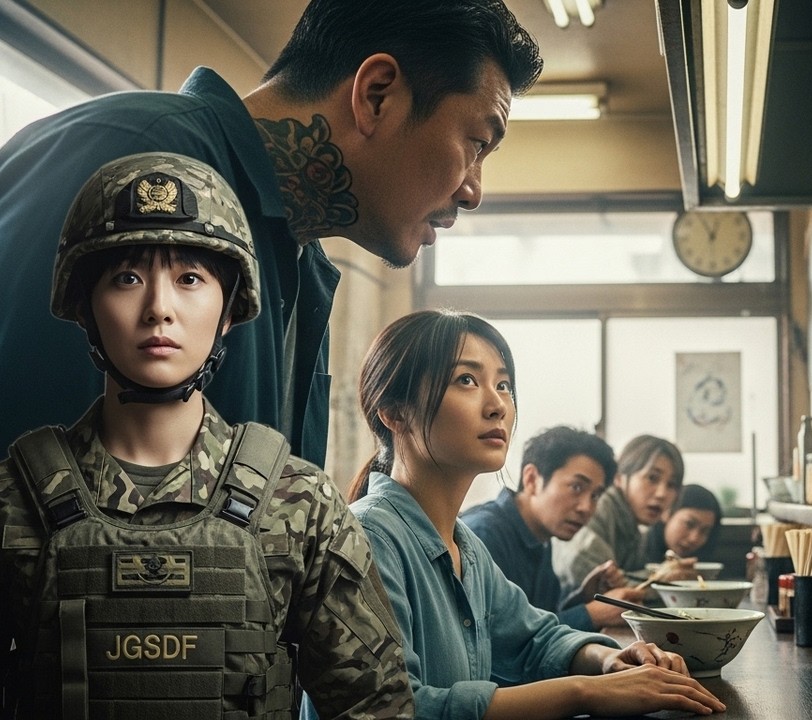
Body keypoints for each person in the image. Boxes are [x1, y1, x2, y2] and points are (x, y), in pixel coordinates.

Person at [0, 0, 543, 467]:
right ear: (378, 95)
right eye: (477, 144)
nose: (473, 191)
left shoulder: (299, 266)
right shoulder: (138, 160)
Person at [0, 152, 411, 717]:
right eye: (127, 278)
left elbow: (375, 704)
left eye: (189, 278)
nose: (158, 309)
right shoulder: (12, 502)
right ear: (86, 306)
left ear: (227, 311)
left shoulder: (299, 504)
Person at [306, 310, 725, 719]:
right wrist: (586, 692)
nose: (497, 406)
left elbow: (534, 639)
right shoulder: (367, 538)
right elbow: (398, 707)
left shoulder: (465, 547)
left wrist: (609, 661)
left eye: (503, 384)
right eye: (466, 380)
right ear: (395, 412)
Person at [461, 426, 647, 631]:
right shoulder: (483, 535)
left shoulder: (541, 537)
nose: (587, 507)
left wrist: (584, 598)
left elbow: (539, 616)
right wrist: (590, 615)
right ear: (532, 479)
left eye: (595, 495)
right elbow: (495, 641)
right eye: (576, 487)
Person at [552, 435, 688, 597]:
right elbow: (611, 591)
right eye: (652, 478)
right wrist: (675, 583)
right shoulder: (597, 509)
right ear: (619, 478)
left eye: (671, 485)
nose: (662, 494)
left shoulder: (632, 525)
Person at [640, 484, 724, 566]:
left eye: (704, 531)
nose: (694, 538)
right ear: (667, 513)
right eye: (689, 524)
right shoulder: (634, 554)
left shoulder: (706, 566)